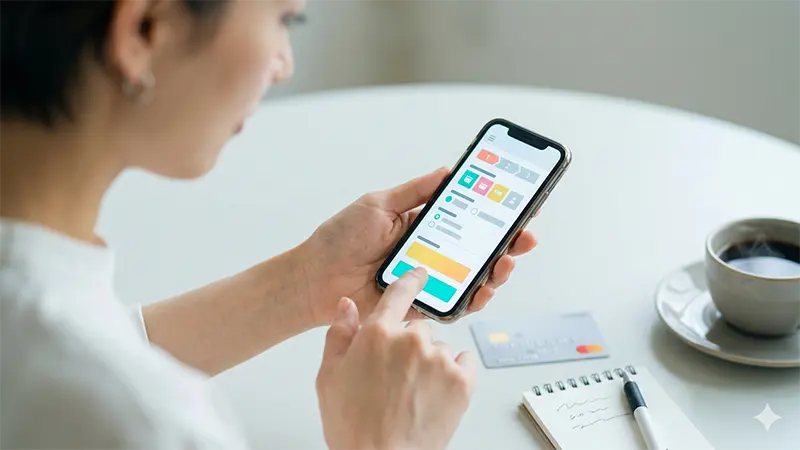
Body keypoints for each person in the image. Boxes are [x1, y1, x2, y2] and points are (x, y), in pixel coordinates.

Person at [0, 1, 538, 449]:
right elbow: (91, 375)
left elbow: (71, 345)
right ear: (146, 29)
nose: (284, 64)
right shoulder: (148, 423)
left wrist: (305, 283)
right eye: (284, 18)